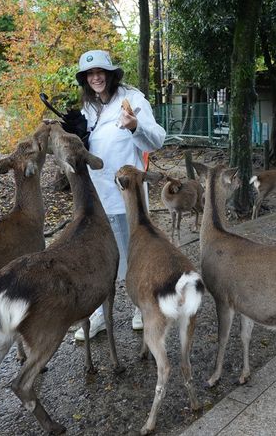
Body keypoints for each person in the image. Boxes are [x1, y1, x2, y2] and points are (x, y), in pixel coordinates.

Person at [70, 50, 166, 341]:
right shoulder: (88, 107)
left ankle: (140, 305)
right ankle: (100, 311)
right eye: (90, 74)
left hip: (127, 196)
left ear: (111, 74)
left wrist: (134, 125)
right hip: (96, 197)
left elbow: (158, 139)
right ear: (85, 80)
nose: (96, 77)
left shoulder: (132, 100)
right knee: (99, 256)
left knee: (133, 254)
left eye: (101, 71)